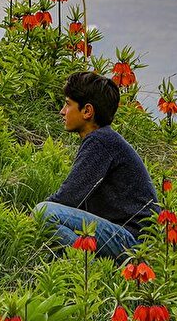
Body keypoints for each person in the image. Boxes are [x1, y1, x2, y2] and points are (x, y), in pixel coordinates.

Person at [36, 71, 159, 260]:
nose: (62, 111)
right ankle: (89, 267)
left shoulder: (100, 141)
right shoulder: (105, 139)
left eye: (68, 104)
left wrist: (28, 221)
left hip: (132, 241)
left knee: (43, 213)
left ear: (87, 111)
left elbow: (68, 198)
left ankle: (91, 270)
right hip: (133, 238)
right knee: (52, 222)